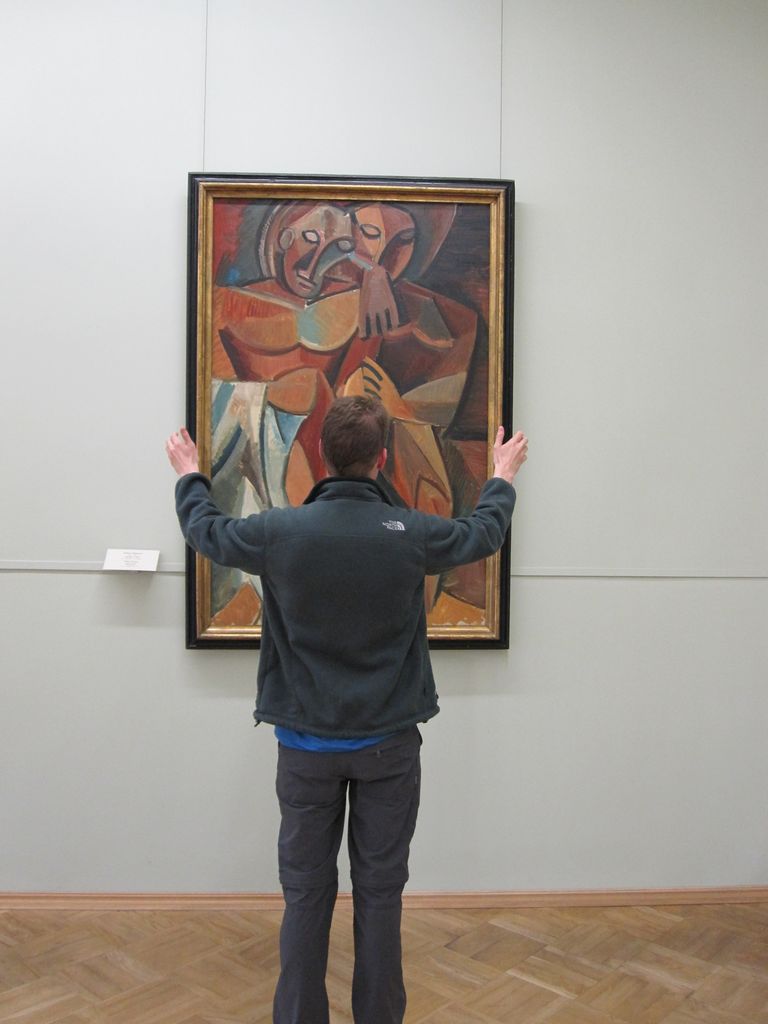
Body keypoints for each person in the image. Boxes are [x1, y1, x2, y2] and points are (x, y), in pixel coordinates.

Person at [165, 395, 528, 1024]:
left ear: (320, 454)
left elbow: (208, 532)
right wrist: (501, 476)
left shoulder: (279, 532)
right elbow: (482, 534)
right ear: (382, 459)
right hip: (389, 749)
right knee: (380, 896)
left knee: (306, 895)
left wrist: (189, 474)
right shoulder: (409, 533)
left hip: (306, 751)